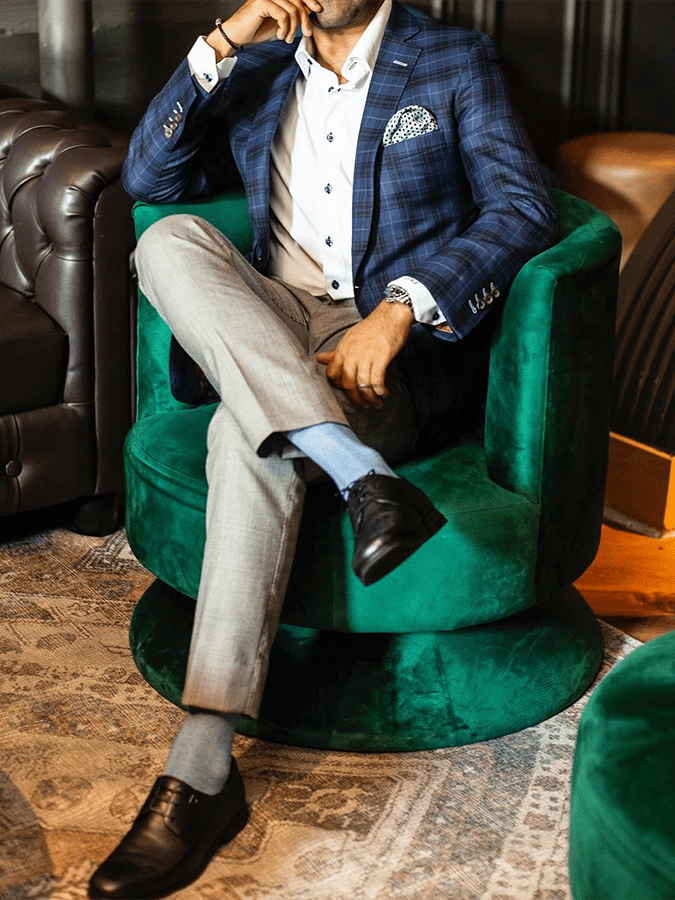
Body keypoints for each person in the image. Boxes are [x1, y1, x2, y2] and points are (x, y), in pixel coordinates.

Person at [89, 0, 557, 896]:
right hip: (272, 320)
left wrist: (400, 310)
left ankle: (199, 768)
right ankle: (362, 476)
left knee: (244, 431)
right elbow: (148, 176)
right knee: (169, 240)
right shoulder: (261, 65)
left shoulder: (452, 59)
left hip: (379, 354)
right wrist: (222, 43)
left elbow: (522, 207)